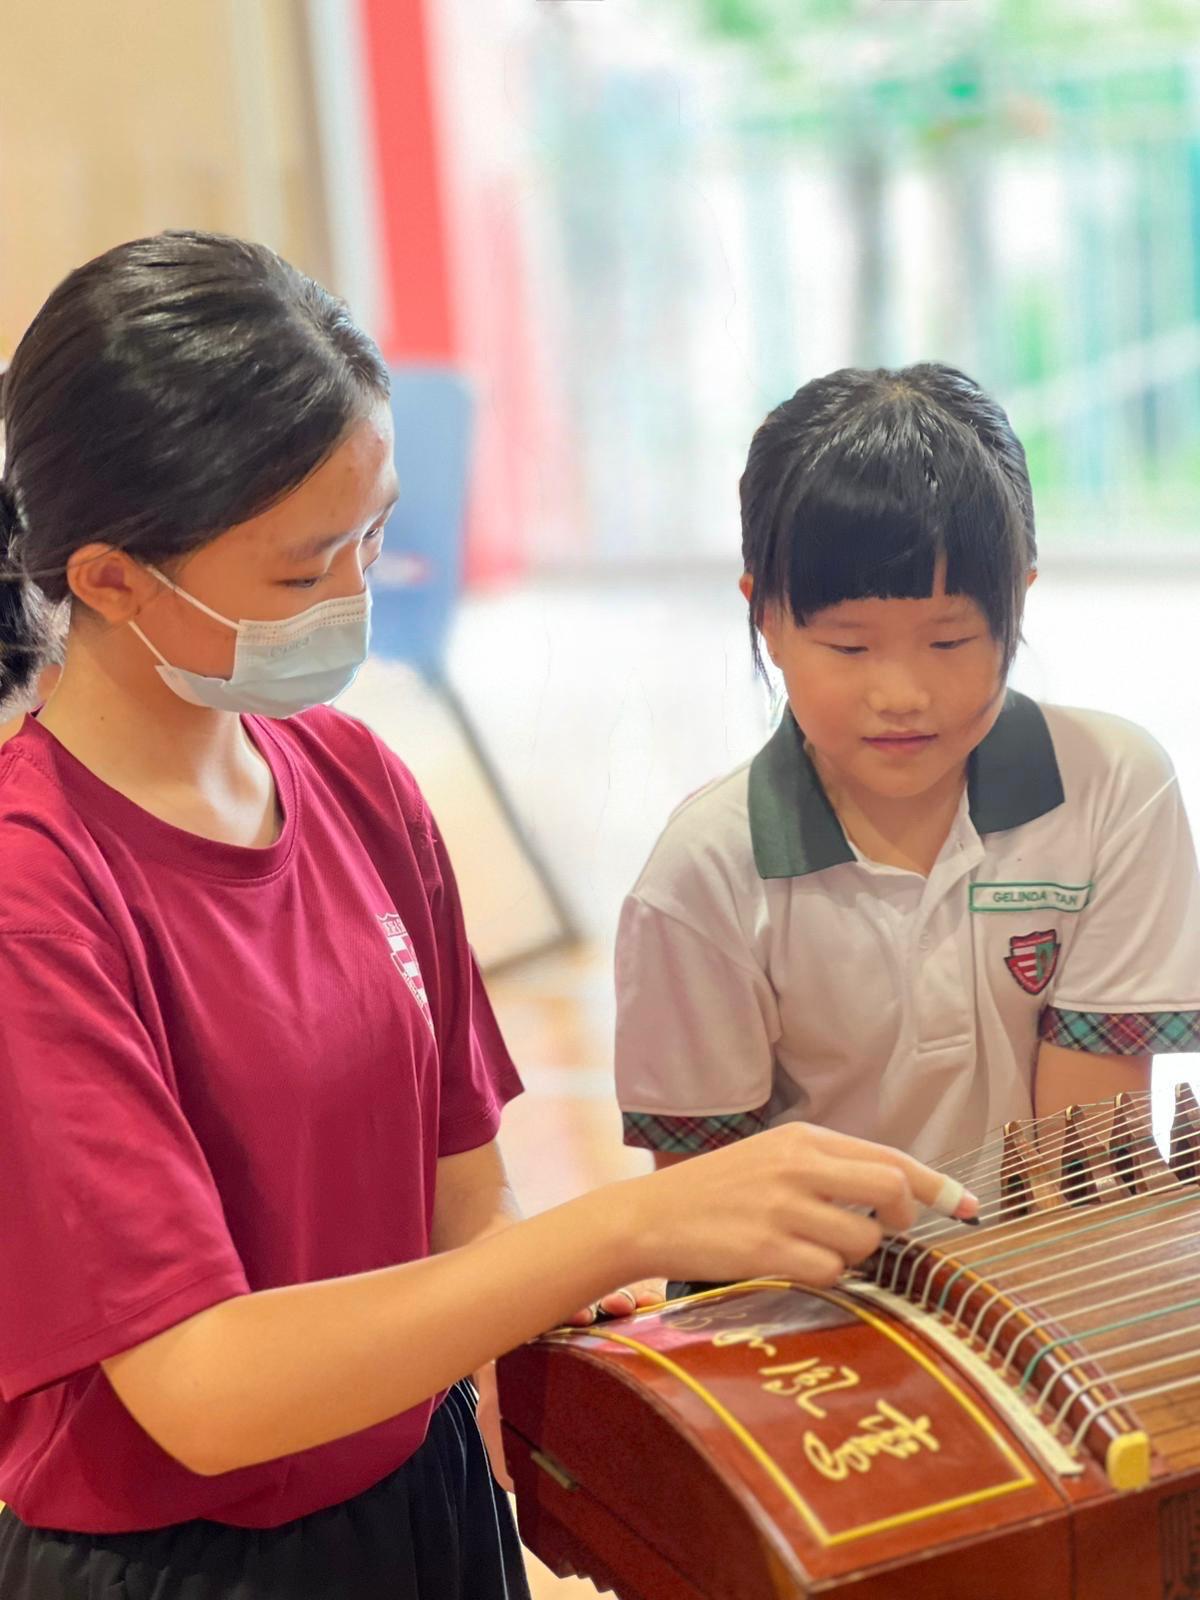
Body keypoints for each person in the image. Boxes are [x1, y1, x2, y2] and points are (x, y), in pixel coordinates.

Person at [0, 235, 971, 1600]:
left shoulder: (352, 781)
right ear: (109, 581)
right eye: (302, 570)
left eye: (376, 532)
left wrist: (543, 1327)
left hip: (422, 1492)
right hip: (180, 1564)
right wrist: (627, 1231)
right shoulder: (37, 891)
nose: (356, 596)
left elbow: (463, 1184)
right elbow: (201, 1390)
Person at [615, 363, 1200, 1191]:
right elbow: (712, 1213)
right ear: (767, 619)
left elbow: (1077, 1171)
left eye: (950, 641)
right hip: (807, 1303)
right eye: (849, 647)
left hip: (1039, 1282)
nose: (902, 695)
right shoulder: (703, 873)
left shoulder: (1113, 791)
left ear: (1017, 605)